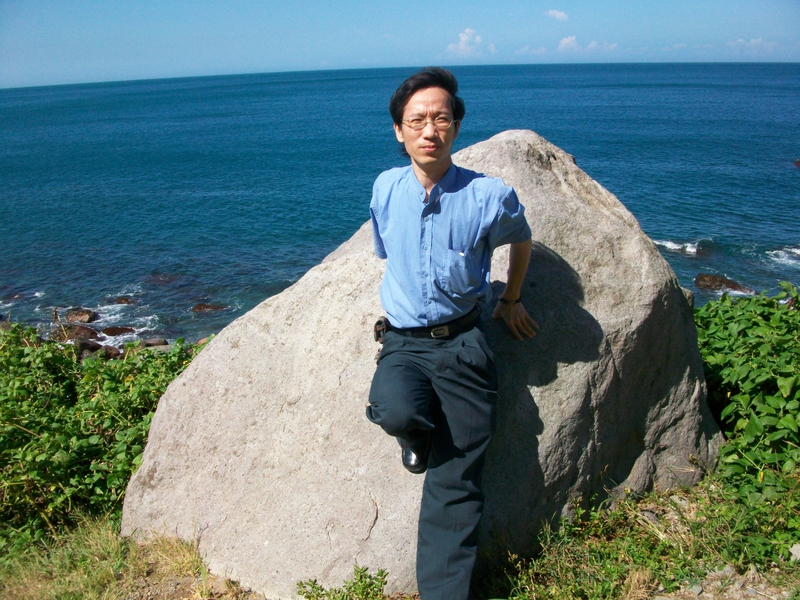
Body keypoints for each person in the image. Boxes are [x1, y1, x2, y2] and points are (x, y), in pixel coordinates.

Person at [365, 67, 538, 600]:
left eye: (441, 119)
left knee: (457, 483)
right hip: (403, 342)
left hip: (463, 342)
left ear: (456, 127)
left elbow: (521, 238)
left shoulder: (488, 195)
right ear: (399, 130)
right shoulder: (385, 188)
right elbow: (385, 251)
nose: (429, 130)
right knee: (393, 409)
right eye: (417, 120)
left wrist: (510, 297)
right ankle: (416, 439)